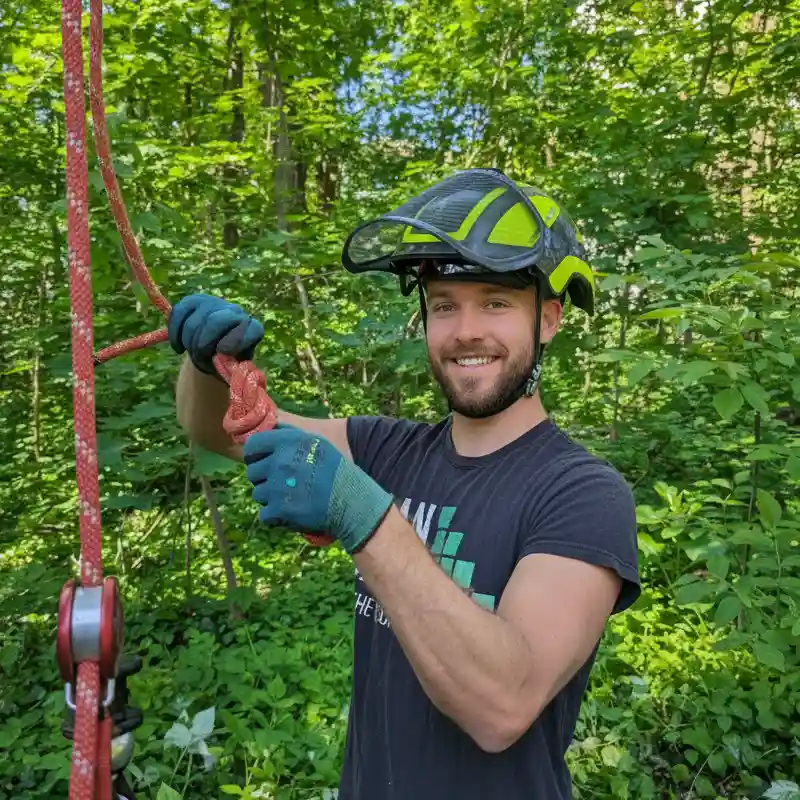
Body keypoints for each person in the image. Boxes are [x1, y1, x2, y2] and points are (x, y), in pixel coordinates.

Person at [169, 169, 641, 799]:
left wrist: (364, 516)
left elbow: (503, 705)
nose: (466, 330)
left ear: (548, 320)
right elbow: (225, 432)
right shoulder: (385, 448)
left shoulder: (583, 493)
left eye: (495, 302)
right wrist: (207, 366)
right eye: (445, 306)